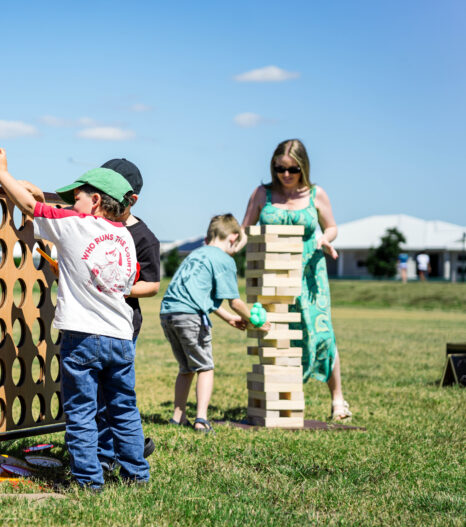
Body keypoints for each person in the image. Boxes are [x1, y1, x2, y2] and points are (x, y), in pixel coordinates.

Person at [0, 148, 149, 490]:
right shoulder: (124, 237)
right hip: (120, 336)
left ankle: (89, 482)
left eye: (76, 197)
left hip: (83, 339)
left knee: (81, 413)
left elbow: (32, 209)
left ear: (96, 201)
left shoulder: (73, 224)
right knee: (124, 410)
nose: (71, 203)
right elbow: (126, 278)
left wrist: (2, 173)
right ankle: (137, 476)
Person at [239, 139, 352, 420]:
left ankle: (338, 399)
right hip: (272, 277)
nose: (286, 175)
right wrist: (221, 246)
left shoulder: (316, 194)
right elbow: (245, 230)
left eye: (293, 169)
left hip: (310, 273)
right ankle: (280, 399)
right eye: (280, 168)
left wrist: (325, 238)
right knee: (277, 336)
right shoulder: (261, 194)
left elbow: (332, 226)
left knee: (322, 334)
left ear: (303, 167)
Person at [160, 214, 271, 433]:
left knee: (186, 368)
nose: (235, 251)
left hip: (169, 313)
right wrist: (254, 321)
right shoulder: (223, 259)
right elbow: (236, 303)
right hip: (190, 316)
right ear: (232, 238)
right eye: (236, 246)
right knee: (205, 367)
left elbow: (200, 296)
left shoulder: (197, 254)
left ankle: (178, 416)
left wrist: (228, 317)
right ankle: (201, 419)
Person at [94, 159, 161, 472]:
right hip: (89, 323)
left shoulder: (144, 238)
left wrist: (118, 288)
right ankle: (115, 449)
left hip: (122, 326)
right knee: (93, 395)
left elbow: (152, 285)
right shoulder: (94, 227)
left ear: (131, 200)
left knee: (113, 394)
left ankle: (113, 455)